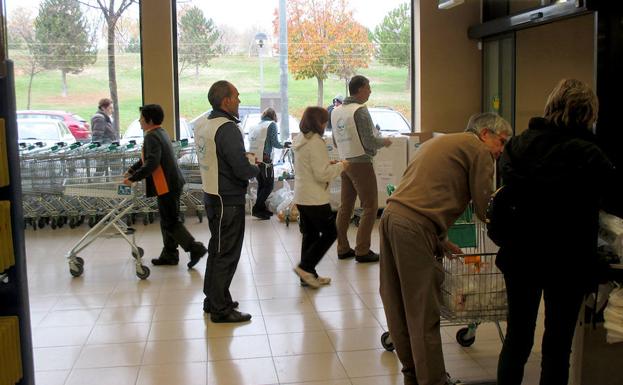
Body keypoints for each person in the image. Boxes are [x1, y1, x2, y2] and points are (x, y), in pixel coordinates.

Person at [495, 79, 620, 385]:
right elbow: (616, 199)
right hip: (568, 261)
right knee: (557, 346)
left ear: (551, 106)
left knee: (517, 339)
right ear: (588, 114)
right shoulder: (589, 154)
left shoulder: (518, 144)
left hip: (520, 254)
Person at [379, 112, 512, 385]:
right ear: (485, 133)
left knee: (398, 306)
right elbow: (485, 205)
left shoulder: (440, 143)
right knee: (422, 312)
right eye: (501, 141)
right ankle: (434, 381)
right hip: (414, 228)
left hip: (392, 219)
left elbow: (420, 193)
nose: (501, 150)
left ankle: (413, 375)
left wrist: (439, 239)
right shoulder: (478, 150)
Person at [194, 80, 259, 323]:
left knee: (217, 249)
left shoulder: (204, 124)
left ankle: (213, 299)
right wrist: (256, 168)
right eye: (237, 96)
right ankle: (220, 309)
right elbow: (240, 168)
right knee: (227, 253)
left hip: (212, 194)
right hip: (228, 200)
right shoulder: (227, 128)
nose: (239, 101)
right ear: (226, 100)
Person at [123, 104, 207, 268]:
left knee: (170, 221)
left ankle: (195, 248)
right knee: (167, 221)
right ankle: (170, 254)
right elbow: (147, 159)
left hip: (167, 184)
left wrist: (133, 178)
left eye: (141, 118)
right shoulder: (159, 132)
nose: (139, 121)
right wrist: (132, 170)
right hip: (171, 183)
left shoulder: (151, 136)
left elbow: (152, 163)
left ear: (150, 120)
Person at [331, 75, 391, 263]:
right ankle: (362, 250)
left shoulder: (337, 111)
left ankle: (342, 247)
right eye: (368, 87)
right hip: (361, 162)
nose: (370, 91)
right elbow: (369, 140)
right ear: (359, 90)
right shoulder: (360, 111)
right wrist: (385, 142)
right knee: (370, 206)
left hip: (345, 161)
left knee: (345, 206)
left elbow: (334, 140)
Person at [292, 106, 347, 288]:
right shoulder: (315, 142)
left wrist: (328, 163)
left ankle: (308, 276)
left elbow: (311, 166)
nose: (325, 124)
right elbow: (322, 175)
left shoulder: (300, 139)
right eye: (324, 121)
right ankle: (305, 267)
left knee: (311, 234)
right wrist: (342, 166)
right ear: (318, 123)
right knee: (331, 232)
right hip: (315, 198)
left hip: (302, 195)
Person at [247, 107, 289, 220]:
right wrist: (285, 145)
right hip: (265, 160)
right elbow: (275, 143)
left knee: (262, 184)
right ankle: (257, 209)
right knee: (269, 186)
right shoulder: (271, 125)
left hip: (254, 159)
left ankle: (261, 209)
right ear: (274, 116)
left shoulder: (256, 126)